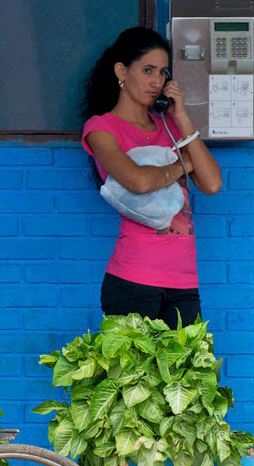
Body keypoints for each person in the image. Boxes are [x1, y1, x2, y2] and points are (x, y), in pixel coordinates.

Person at [81, 27, 223, 327]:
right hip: (134, 279)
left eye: (162, 72)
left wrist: (181, 116)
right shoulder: (102, 128)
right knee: (134, 361)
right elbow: (139, 181)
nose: (157, 82)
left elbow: (212, 184)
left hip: (184, 280)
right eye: (147, 70)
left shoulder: (170, 125)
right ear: (122, 71)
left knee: (189, 360)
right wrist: (184, 163)